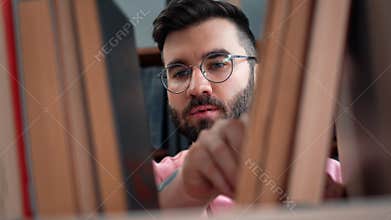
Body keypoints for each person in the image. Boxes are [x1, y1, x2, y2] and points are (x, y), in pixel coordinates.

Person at [151, 0, 343, 214]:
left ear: (257, 74)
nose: (197, 87)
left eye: (217, 64)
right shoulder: (146, 185)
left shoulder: (334, 179)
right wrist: (185, 193)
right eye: (180, 73)